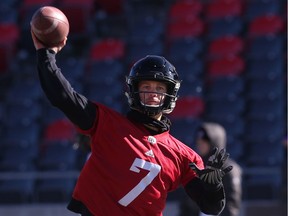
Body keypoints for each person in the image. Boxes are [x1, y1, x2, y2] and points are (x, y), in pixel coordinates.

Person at [31, 32, 233, 216]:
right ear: (134, 90)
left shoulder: (184, 156)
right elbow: (63, 97)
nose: (153, 93)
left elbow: (211, 207)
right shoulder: (106, 123)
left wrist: (214, 187)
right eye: (146, 86)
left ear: (170, 94)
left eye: (159, 88)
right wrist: (45, 54)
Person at [180, 122, 242, 216]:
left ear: (215, 142)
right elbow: (187, 202)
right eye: (199, 141)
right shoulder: (196, 166)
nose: (200, 145)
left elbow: (231, 203)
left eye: (204, 142)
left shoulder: (229, 169)